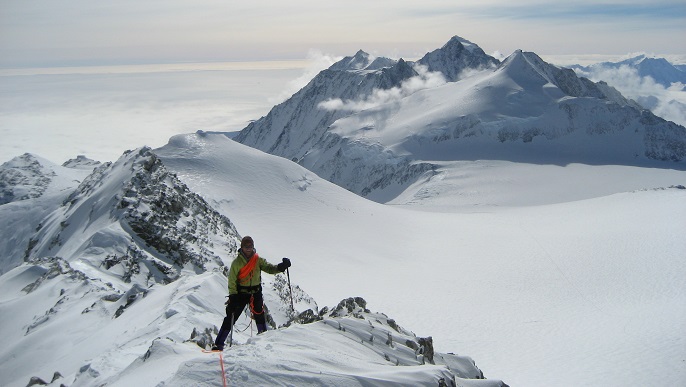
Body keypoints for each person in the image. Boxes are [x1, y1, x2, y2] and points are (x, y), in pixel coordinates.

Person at [212, 236, 291, 350]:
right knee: (231, 316)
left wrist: (281, 267)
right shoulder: (237, 263)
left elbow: (269, 268)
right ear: (242, 247)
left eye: (251, 246)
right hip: (241, 294)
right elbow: (232, 280)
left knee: (259, 315)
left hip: (255, 292)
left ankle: (263, 340)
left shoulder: (257, 260)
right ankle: (218, 344)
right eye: (246, 247)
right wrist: (233, 295)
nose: (249, 249)